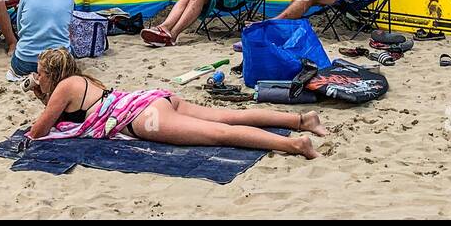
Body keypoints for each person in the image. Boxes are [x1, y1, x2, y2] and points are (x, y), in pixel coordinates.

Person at [25, 48, 322, 156]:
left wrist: (39, 94)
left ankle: (294, 145)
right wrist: (41, 93)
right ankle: (300, 121)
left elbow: (38, 131)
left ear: (51, 74)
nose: (36, 77)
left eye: (39, 73)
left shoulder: (64, 87)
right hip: (149, 99)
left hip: (141, 118)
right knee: (226, 117)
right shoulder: (81, 81)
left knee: (219, 134)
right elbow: (61, 113)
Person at [9, 0, 75, 79]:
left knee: (18, 60)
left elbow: (20, 27)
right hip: (59, 63)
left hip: (26, 61)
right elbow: (68, 28)